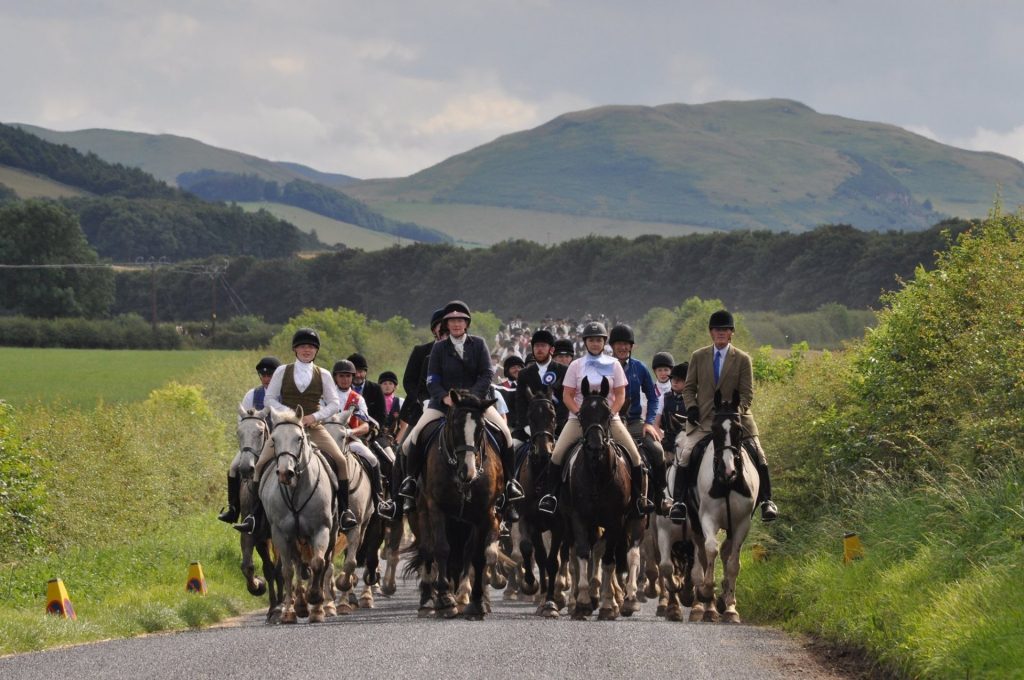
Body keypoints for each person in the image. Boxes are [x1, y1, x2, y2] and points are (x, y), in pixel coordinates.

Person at [398, 300, 525, 516]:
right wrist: (444, 397)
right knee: (414, 437)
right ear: (446, 324)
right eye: (452, 321)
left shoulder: (479, 344)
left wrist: (472, 398)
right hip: (445, 403)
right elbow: (432, 379)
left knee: (506, 435)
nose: (456, 324)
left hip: (475, 404)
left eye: (460, 320)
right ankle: (410, 483)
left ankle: (511, 485)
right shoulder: (439, 348)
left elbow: (487, 374)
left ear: (466, 323)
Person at [234, 328, 359, 533]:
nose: (306, 350)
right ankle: (254, 516)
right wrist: (290, 415)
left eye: (310, 347)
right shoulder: (283, 371)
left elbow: (334, 403)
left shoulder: (324, 374)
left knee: (341, 460)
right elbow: (270, 400)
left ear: (316, 351)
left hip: (314, 426)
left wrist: (313, 417)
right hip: (286, 428)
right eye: (302, 346)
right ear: (295, 349)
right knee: (260, 464)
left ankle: (345, 512)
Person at [671, 310, 778, 523]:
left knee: (759, 454)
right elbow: (689, 388)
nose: (721, 333)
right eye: (717, 330)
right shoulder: (698, 356)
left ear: (731, 333)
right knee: (685, 454)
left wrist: (736, 413)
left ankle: (767, 501)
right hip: (705, 420)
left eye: (725, 330)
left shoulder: (743, 359)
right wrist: (691, 407)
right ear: (711, 332)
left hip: (736, 419)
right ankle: (679, 503)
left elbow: (747, 393)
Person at [537, 322, 652, 517]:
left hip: (609, 418)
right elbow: (567, 395)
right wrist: (579, 413)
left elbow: (620, 395)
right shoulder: (576, 365)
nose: (595, 343)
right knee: (556, 455)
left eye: (598, 340)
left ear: (604, 342)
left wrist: (610, 414)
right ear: (585, 342)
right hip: (579, 418)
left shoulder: (614, 364)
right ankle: (551, 497)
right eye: (591, 340)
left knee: (635, 456)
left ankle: (640, 498)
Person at [217, 355, 280, 523]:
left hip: (279, 443)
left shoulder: (283, 395)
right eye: (263, 375)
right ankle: (233, 509)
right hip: (254, 445)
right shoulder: (252, 394)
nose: (266, 379)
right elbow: (242, 422)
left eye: (270, 375)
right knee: (233, 468)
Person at [608, 323, 661, 514]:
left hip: (633, 422)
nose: (623, 347)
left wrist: (649, 423)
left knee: (656, 451)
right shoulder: (603, 366)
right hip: (608, 421)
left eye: (626, 344)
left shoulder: (640, 368)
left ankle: (657, 497)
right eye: (619, 344)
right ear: (612, 346)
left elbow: (653, 397)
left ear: (631, 346)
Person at [396, 307, 446, 440]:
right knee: (404, 448)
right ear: (434, 329)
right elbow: (409, 381)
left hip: (452, 403)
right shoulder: (421, 351)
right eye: (441, 325)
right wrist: (421, 400)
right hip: (422, 405)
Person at [512, 328, 569, 445]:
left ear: (551, 349)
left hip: (557, 426)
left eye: (543, 346)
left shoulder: (563, 371)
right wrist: (526, 425)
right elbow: (520, 402)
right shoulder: (523, 373)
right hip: (529, 425)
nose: (539, 349)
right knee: (513, 447)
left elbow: (565, 401)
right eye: (536, 346)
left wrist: (557, 423)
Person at [655, 362, 689, 520]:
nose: (674, 382)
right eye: (673, 379)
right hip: (668, 442)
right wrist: (659, 437)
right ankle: (660, 498)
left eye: (679, 380)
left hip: (687, 442)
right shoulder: (664, 397)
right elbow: (656, 422)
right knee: (657, 463)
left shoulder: (693, 399)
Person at [348, 353, 386, 429]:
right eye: (355, 372)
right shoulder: (343, 388)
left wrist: (372, 432)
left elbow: (382, 415)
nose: (358, 375)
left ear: (366, 372)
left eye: (361, 372)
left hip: (370, 431)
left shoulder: (376, 389)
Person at [378, 370, 403, 439]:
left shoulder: (400, 402)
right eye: (385, 383)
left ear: (395, 386)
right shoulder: (375, 401)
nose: (387, 386)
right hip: (377, 438)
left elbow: (404, 426)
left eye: (390, 383)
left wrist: (397, 442)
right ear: (380, 386)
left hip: (395, 439)